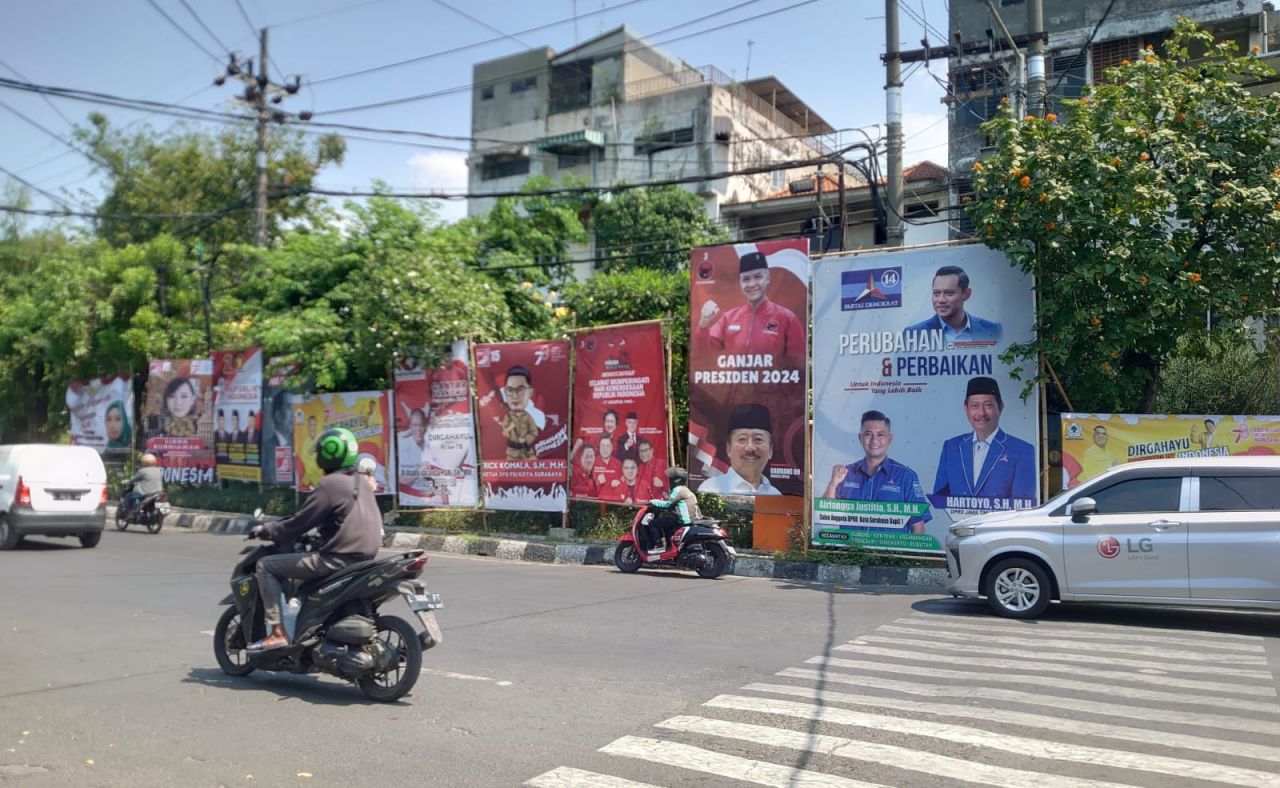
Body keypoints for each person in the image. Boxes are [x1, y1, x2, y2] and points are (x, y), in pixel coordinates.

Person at [246, 428, 382, 652]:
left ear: (327, 455)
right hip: (366, 558)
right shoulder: (362, 483)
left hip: (336, 559)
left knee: (265, 566)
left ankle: (277, 633)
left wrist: (267, 531)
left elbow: (298, 523)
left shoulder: (331, 484)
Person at [823, 410, 931, 533]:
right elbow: (827, 513)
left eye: (880, 434)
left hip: (891, 551)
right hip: (851, 550)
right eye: (868, 434)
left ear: (889, 439)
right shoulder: (845, 474)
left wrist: (915, 552)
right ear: (860, 438)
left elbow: (918, 526)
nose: (874, 440)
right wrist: (833, 483)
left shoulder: (906, 476)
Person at [932, 377, 1036, 504]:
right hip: (961, 523)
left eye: (988, 405)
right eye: (975, 406)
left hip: (1000, 523)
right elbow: (939, 496)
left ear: (1000, 407)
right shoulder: (952, 447)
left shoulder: (1022, 450)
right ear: (966, 409)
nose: (981, 413)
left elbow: (1024, 503)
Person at [696, 250, 804, 363]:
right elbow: (703, 354)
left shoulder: (787, 318)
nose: (752, 284)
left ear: (767, 278)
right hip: (735, 381)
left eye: (758, 277)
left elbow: (798, 364)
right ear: (740, 283)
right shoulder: (728, 318)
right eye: (746, 279)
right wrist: (703, 322)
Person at [905, 265, 1002, 346]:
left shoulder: (993, 330)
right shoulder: (913, 334)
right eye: (936, 293)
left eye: (949, 293)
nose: (941, 300)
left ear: (966, 294)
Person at [697, 403, 780, 495]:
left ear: (770, 451)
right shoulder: (710, 490)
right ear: (728, 449)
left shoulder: (776, 495)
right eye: (742, 439)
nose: (750, 448)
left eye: (758, 439)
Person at [646, 467, 702, 552]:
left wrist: (653, 501)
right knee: (666, 523)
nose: (668, 481)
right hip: (691, 519)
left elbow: (668, 504)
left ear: (675, 480)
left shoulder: (677, 490)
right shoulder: (685, 489)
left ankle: (657, 546)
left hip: (683, 520)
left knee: (653, 524)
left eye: (669, 479)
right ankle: (669, 547)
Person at [499, 366, 544, 460]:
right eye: (510, 390)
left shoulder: (536, 416)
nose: (515, 396)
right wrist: (510, 427)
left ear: (530, 392)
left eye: (520, 390)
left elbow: (534, 433)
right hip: (512, 453)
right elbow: (504, 432)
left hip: (527, 452)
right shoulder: (507, 416)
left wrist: (526, 440)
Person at [122, 452, 164, 518]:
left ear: (143, 462)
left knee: (128, 496)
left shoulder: (142, 471)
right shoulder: (158, 471)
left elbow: (133, 480)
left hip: (145, 493)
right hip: (158, 492)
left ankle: (130, 514)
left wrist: (126, 482)